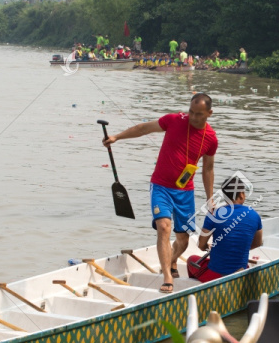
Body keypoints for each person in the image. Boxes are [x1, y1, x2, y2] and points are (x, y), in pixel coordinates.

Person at [103, 94, 217, 294]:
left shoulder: (211, 139)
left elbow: (208, 169)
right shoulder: (174, 120)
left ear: (209, 113)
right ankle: (166, 277)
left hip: (185, 191)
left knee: (183, 241)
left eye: (198, 114)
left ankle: (172, 260)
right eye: (190, 111)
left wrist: (210, 199)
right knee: (164, 227)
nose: (192, 117)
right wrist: (116, 137)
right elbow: (143, 128)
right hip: (161, 186)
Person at [187, 175, 262, 282]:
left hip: (216, 275)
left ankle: (199, 289)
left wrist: (208, 248)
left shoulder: (213, 214)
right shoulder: (255, 215)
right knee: (245, 266)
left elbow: (201, 244)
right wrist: (240, 248)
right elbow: (258, 242)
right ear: (241, 194)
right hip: (240, 272)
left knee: (191, 260)